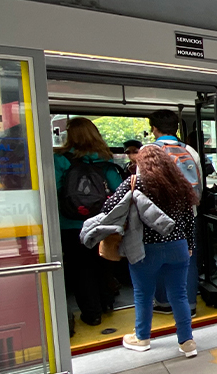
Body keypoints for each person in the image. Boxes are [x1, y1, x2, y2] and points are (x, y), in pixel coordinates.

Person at [101, 145, 200, 357]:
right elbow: (189, 220)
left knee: (144, 294)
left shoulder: (134, 183)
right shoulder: (180, 185)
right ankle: (187, 342)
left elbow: (108, 210)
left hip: (146, 249)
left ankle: (142, 337)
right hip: (178, 247)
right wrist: (190, 245)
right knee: (179, 294)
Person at [54, 117, 123, 326]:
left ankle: (91, 314)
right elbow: (120, 192)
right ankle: (107, 303)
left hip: (70, 224)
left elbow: (54, 190)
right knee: (103, 263)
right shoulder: (105, 160)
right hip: (101, 223)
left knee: (80, 269)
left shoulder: (61, 159)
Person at [146, 110, 204, 318]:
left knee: (159, 260)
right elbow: (200, 188)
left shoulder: (149, 151)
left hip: (158, 218)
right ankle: (189, 305)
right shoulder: (191, 151)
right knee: (188, 258)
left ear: (154, 128)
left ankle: (163, 302)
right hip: (189, 214)